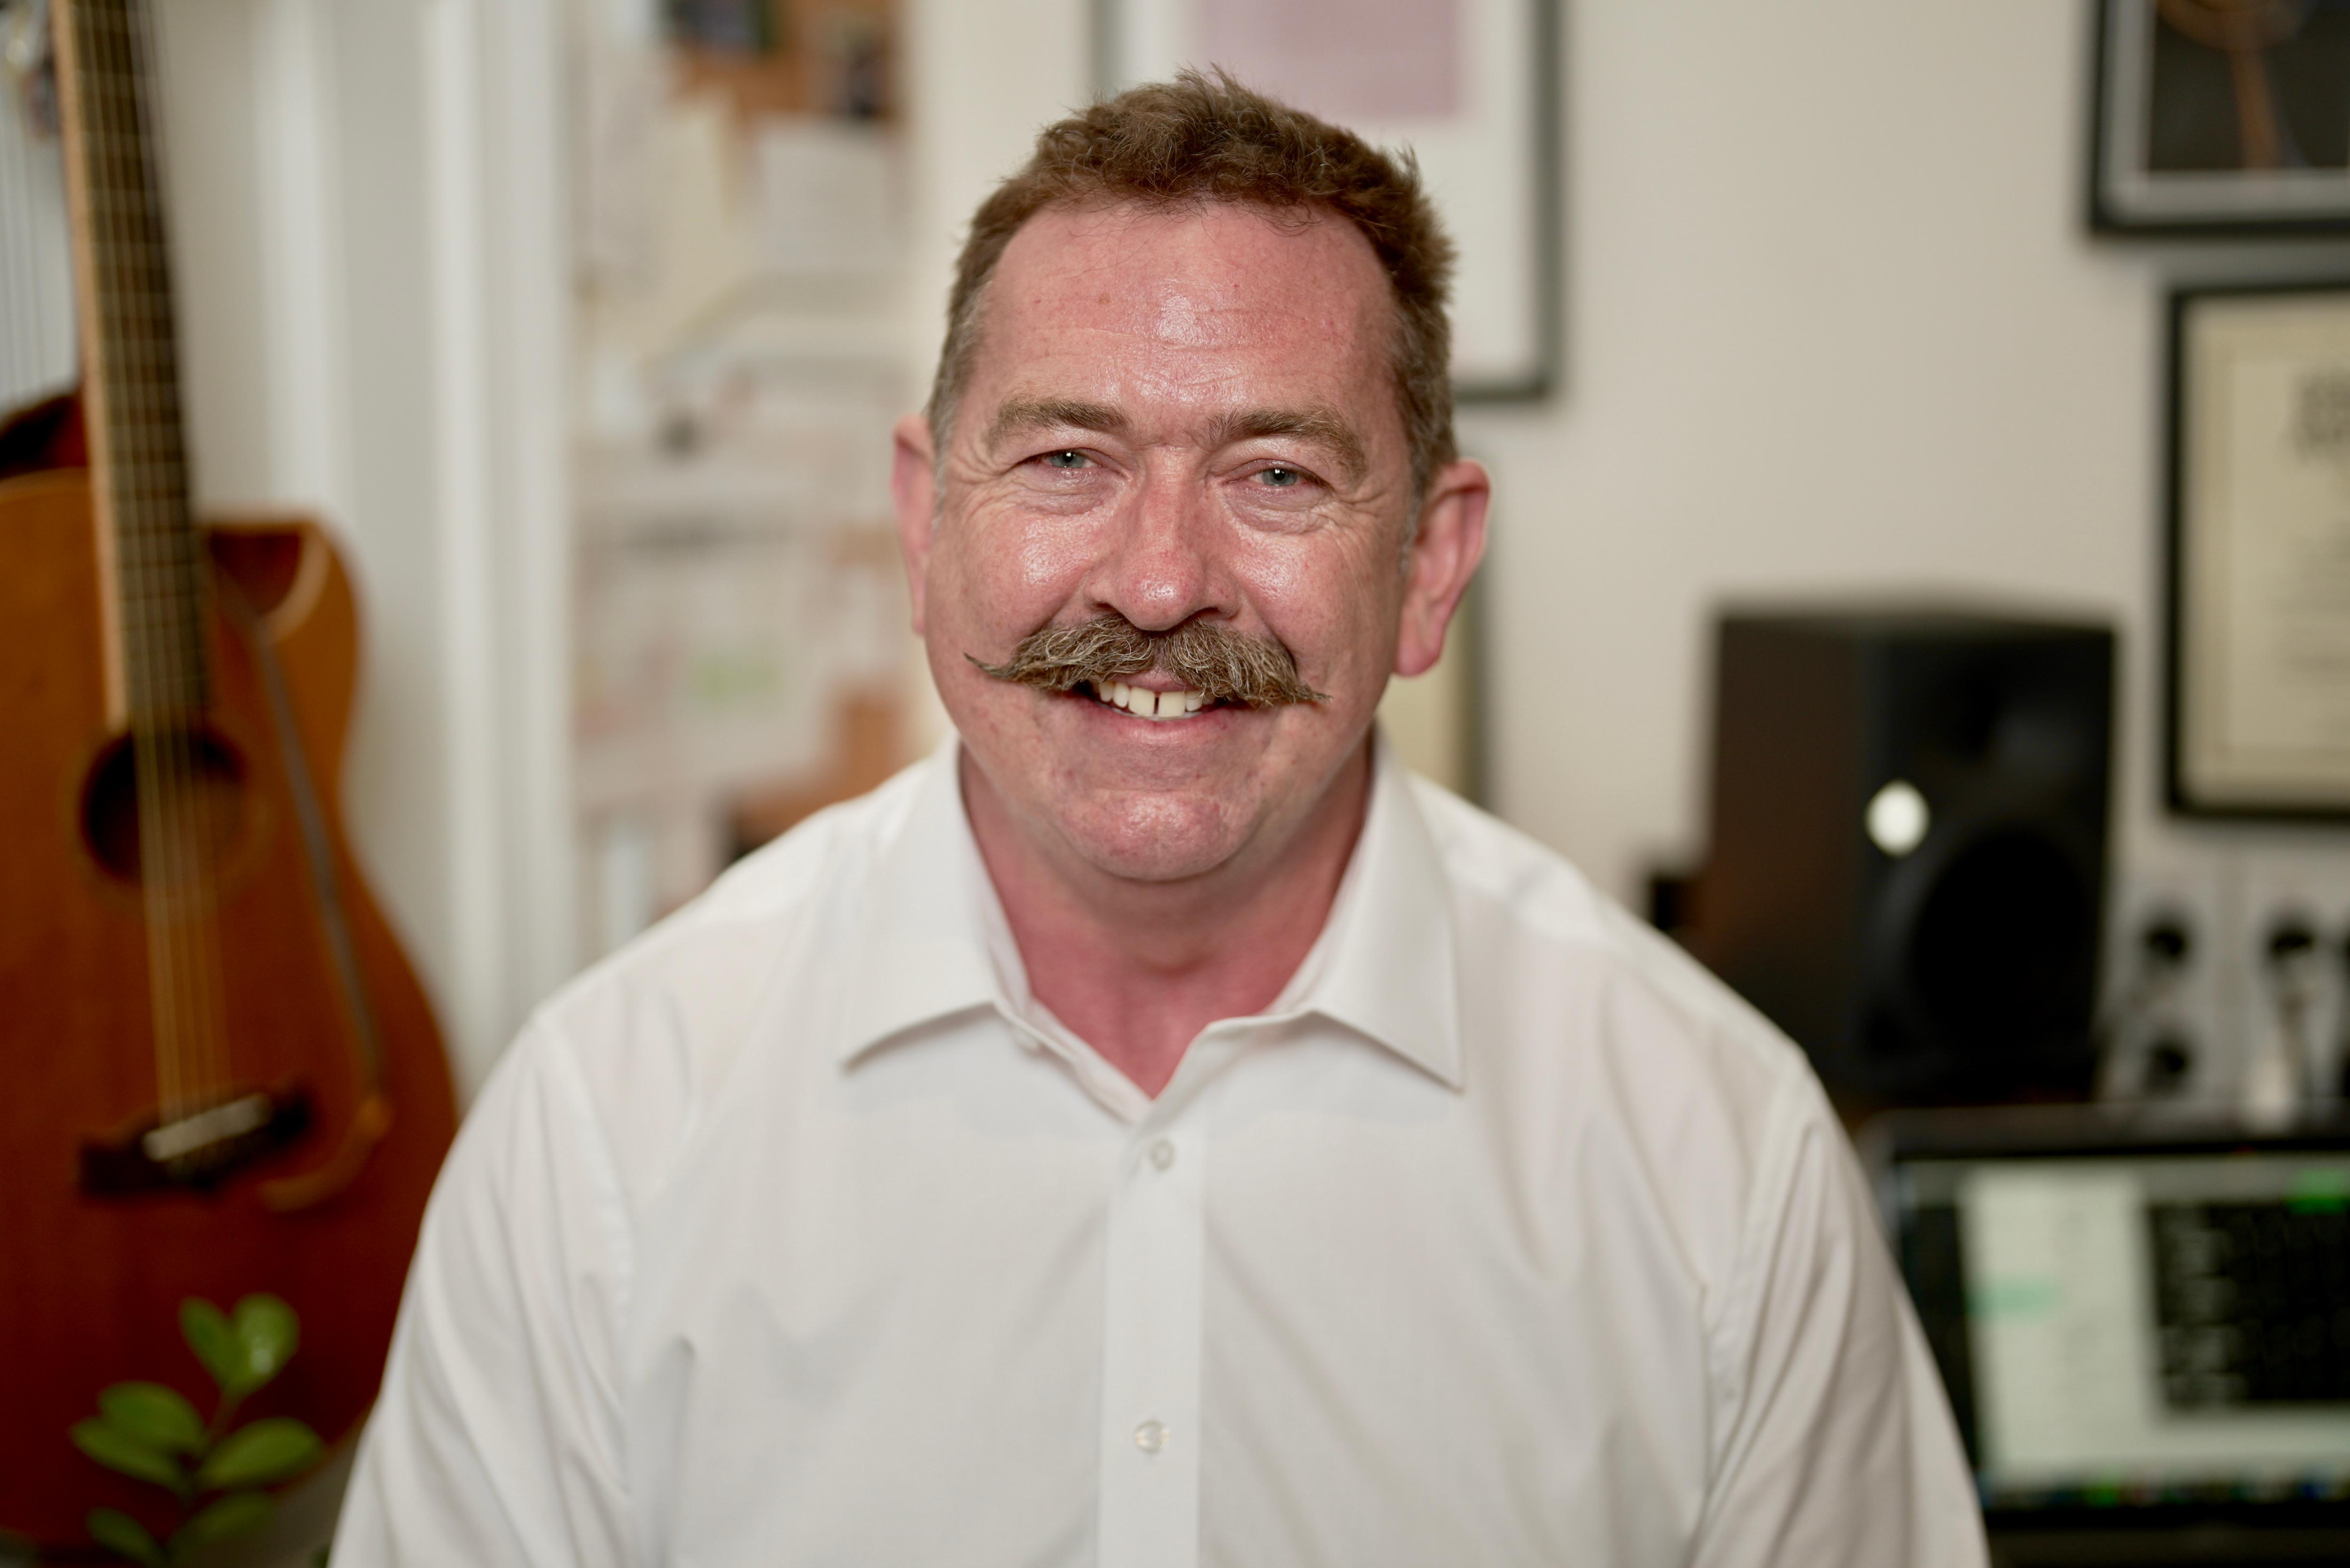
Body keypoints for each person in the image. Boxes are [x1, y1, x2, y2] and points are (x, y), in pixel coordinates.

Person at [332, 72, 1986, 1567]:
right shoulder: (606, 1128)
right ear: (922, 528)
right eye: (1065, 458)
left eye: (1276, 474)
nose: (1156, 581)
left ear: (1428, 565)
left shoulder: (1718, 1159)